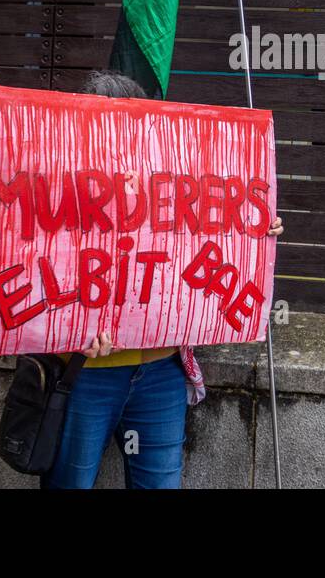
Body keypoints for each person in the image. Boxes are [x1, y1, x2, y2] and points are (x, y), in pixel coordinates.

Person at [40, 69, 282, 489]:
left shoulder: (169, 188)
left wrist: (253, 225)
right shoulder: (58, 191)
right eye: (105, 128)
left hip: (160, 374)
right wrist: (69, 332)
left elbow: (212, 224)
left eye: (128, 127)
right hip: (83, 375)